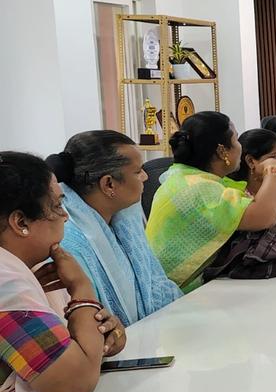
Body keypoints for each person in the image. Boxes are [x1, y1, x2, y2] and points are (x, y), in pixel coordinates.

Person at [1, 151, 123, 392]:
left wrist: (105, 333)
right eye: (57, 206)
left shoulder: (31, 269)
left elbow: (87, 345)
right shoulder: (6, 282)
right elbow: (74, 382)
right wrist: (81, 288)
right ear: (21, 222)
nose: (65, 216)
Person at [45, 131, 181, 327]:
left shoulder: (125, 218)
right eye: (138, 171)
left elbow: (155, 282)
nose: (145, 176)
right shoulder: (69, 243)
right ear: (109, 184)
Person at [147, 111, 276, 291]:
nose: (240, 147)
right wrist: (273, 168)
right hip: (175, 295)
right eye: (236, 139)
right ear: (222, 151)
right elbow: (264, 216)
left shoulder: (187, 178)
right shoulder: (199, 189)